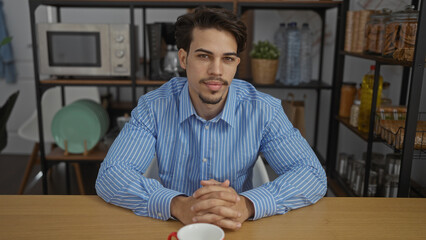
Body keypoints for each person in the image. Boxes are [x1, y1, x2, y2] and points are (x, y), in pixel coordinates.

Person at [96, 7, 326, 230]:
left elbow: (312, 175)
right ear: (184, 59)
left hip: (236, 226)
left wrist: (247, 205)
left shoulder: (263, 110)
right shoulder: (154, 107)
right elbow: (111, 176)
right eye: (204, 56)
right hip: (173, 227)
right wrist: (176, 204)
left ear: (236, 63)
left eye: (227, 59)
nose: (216, 70)